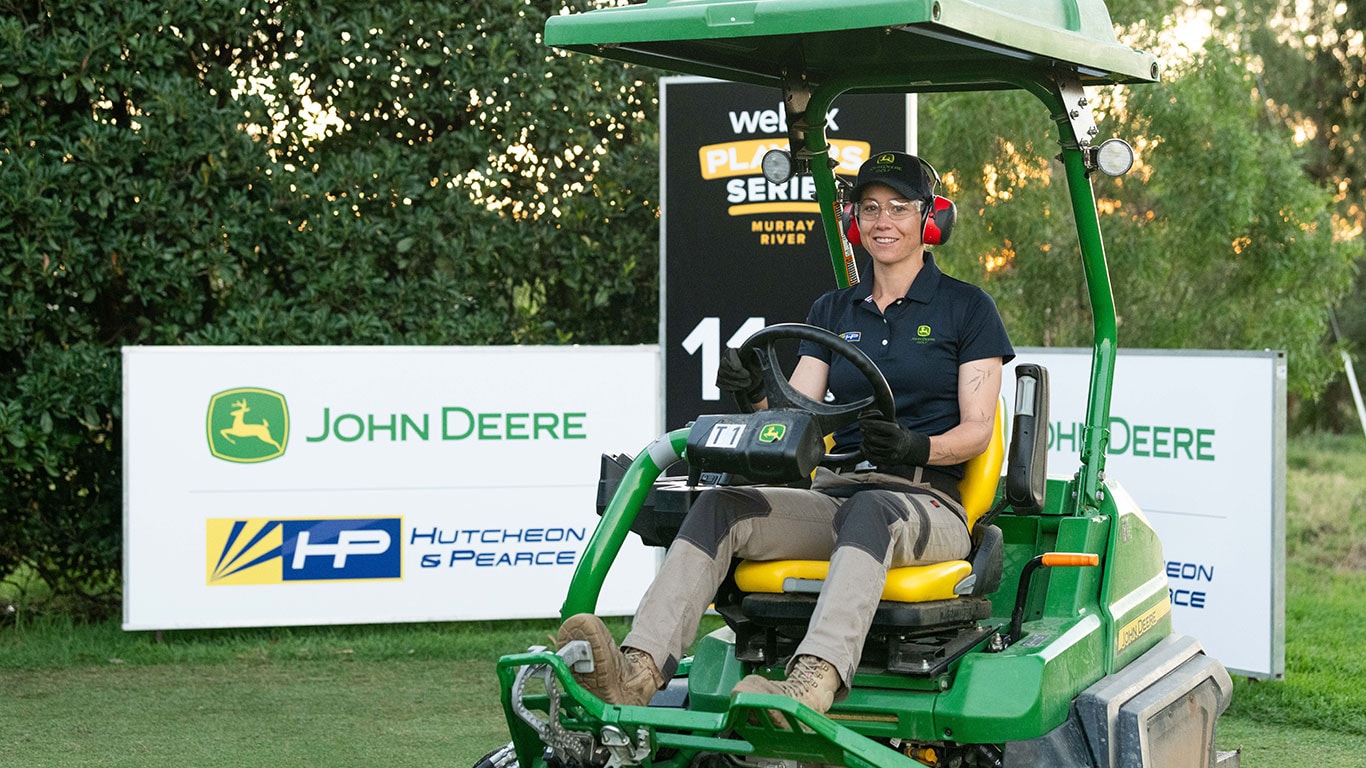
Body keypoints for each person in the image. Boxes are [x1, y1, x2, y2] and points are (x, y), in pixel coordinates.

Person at [558, 151, 1014, 715]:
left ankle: (812, 682)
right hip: (835, 496)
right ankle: (638, 670)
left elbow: (976, 432)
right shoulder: (832, 309)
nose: (883, 221)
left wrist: (916, 446)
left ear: (931, 220)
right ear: (854, 222)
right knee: (723, 506)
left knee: (873, 508)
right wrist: (752, 393)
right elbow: (794, 417)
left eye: (899, 207)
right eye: (869, 208)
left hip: (927, 504)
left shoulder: (967, 308)